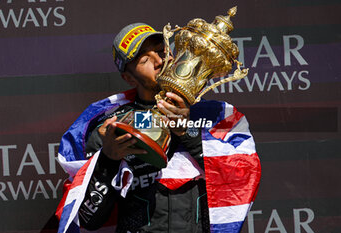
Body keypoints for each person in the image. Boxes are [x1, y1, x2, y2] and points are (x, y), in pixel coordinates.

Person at [56, 23, 261, 233]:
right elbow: (88, 218)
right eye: (144, 59)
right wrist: (108, 160)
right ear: (128, 77)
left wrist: (187, 132)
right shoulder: (113, 127)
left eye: (162, 51)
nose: (159, 61)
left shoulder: (217, 116)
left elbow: (240, 180)